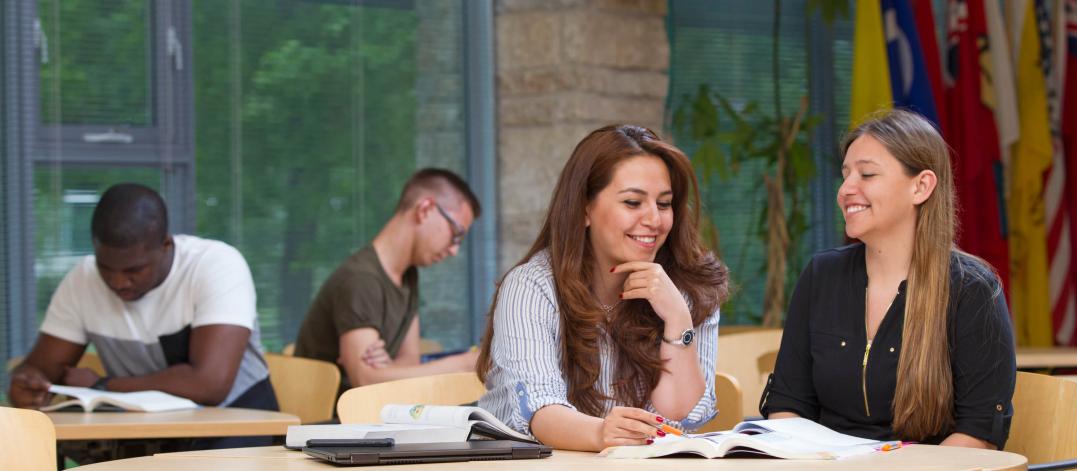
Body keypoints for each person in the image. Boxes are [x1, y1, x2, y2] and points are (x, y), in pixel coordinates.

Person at [761, 109, 1015, 449]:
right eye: (845, 174)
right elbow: (787, 406)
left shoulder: (973, 289)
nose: (846, 189)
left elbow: (978, 434)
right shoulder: (821, 275)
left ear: (921, 186)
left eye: (867, 174)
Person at [476, 124, 729, 452]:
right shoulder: (532, 287)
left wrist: (678, 320)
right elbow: (539, 411)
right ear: (585, 209)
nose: (654, 219)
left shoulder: (690, 287)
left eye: (664, 204)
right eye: (633, 202)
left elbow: (678, 413)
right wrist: (602, 433)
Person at [9, 183, 276, 448]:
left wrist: (103, 385)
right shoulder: (83, 280)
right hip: (144, 431)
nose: (118, 282)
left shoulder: (216, 265)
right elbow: (40, 370)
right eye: (106, 267)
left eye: (133, 270)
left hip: (237, 423)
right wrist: (27, 387)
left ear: (165, 245)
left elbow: (209, 385)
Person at [295, 168, 481, 392]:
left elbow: (409, 361)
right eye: (456, 233)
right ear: (425, 209)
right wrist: (464, 364)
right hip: (332, 420)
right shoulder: (361, 280)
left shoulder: (408, 275)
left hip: (375, 414)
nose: (454, 250)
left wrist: (388, 369)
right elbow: (365, 382)